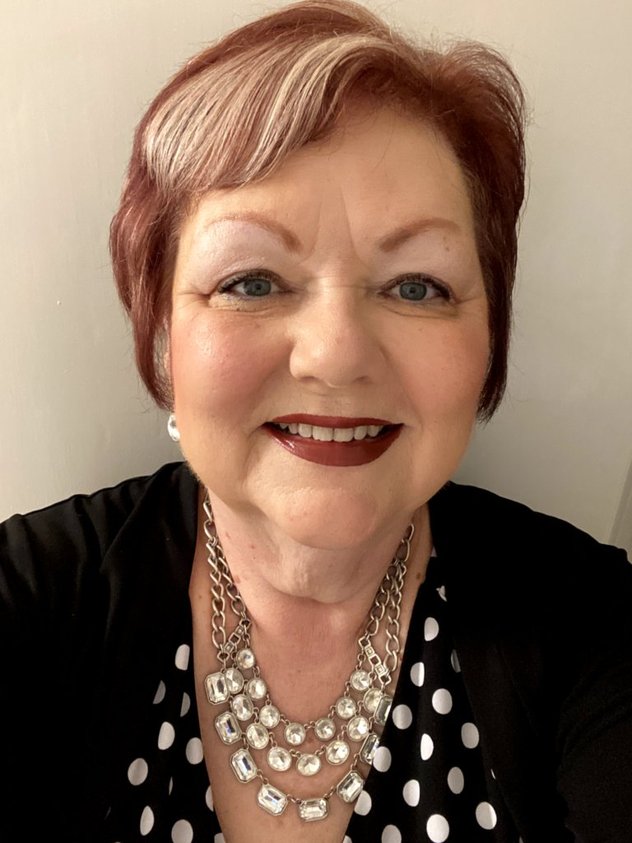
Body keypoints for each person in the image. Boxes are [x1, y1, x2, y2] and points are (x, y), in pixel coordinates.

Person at [1, 1, 631, 840]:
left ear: (489, 342)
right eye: (252, 280)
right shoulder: (32, 598)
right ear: (160, 341)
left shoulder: (598, 627)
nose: (335, 355)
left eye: (417, 285)